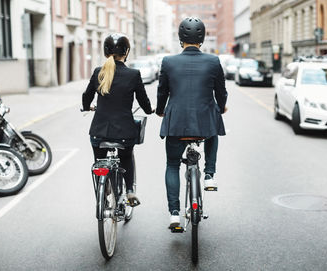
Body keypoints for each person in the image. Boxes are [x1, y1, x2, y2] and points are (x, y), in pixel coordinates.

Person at [156, 17, 228, 227]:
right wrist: (221, 107)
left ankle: (175, 214)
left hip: (176, 122)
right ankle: (209, 175)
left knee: (172, 164)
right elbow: (221, 92)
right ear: (202, 38)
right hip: (204, 122)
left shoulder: (168, 62)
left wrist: (161, 111)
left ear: (180, 39)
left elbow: (162, 92)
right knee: (213, 128)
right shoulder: (213, 61)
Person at [82, 33, 154, 206]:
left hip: (98, 132)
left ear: (105, 52)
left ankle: (104, 185)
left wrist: (87, 107)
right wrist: (149, 110)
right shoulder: (133, 74)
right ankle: (129, 191)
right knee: (126, 157)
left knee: (99, 161)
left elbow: (86, 96)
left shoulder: (98, 72)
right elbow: (144, 101)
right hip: (124, 132)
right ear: (126, 52)